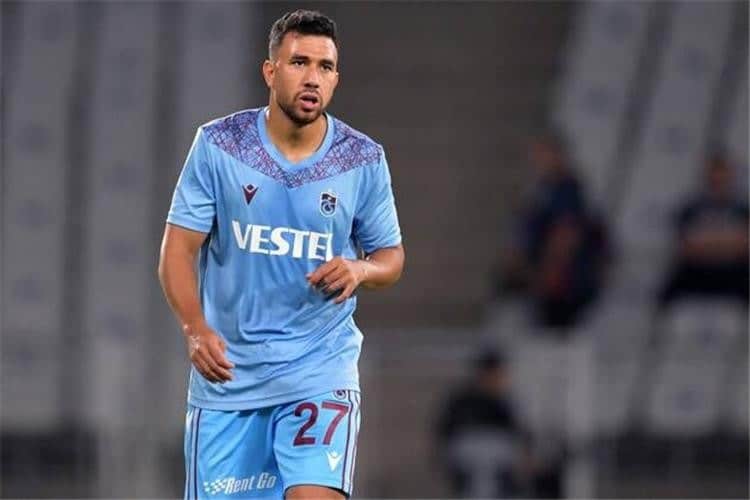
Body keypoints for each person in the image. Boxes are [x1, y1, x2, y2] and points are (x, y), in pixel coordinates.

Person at [158, 10, 404, 499]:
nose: (313, 78)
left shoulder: (361, 159)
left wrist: (360, 268)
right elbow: (177, 250)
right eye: (299, 63)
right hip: (230, 381)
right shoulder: (219, 146)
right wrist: (195, 327)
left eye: (325, 66)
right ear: (270, 71)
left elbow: (391, 256)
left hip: (319, 371)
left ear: (336, 78)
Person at [499, 134, 608, 330]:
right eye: (538, 155)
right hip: (539, 275)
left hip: (560, 281)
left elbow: (567, 232)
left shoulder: (567, 189)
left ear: (559, 156)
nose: (540, 161)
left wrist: (550, 271)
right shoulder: (543, 188)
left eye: (545, 155)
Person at [435, 349, 532, 498]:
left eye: (500, 374)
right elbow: (444, 433)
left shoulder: (506, 401)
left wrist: (525, 457)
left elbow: (521, 435)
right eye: (494, 374)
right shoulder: (461, 399)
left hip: (499, 472)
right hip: (470, 466)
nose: (499, 378)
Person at [659, 153, 749, 306]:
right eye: (714, 175)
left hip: (734, 271)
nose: (718, 180)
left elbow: (744, 246)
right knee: (668, 289)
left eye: (722, 175)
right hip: (696, 270)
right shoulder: (691, 207)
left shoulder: (743, 209)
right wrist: (726, 242)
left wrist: (708, 242)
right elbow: (686, 247)